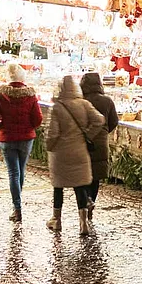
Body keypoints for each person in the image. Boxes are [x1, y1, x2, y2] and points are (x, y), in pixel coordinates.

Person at [43, 74, 104, 232]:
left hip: (61, 154)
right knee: (80, 186)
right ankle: (83, 224)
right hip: (80, 151)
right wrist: (88, 135)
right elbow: (99, 120)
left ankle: (56, 220)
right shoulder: (84, 104)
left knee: (58, 187)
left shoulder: (57, 107)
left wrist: (49, 146)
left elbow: (53, 133)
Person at [0, 72, 42, 223]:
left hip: (8, 138)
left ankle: (17, 208)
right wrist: (30, 128)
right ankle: (17, 203)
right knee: (21, 170)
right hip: (26, 138)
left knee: (13, 172)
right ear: (23, 79)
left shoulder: (1, 96)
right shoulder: (31, 96)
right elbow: (38, 119)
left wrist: (0, 127)